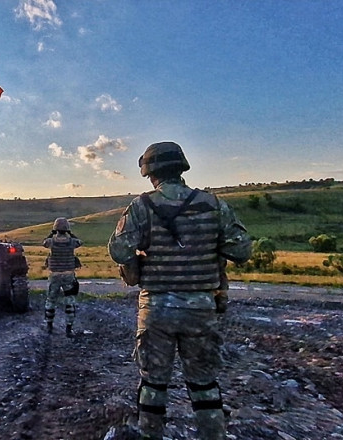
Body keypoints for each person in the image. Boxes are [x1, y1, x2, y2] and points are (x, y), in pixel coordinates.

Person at [108, 141, 252, 440]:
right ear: (181, 167)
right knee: (204, 385)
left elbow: (119, 251)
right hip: (201, 307)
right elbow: (241, 250)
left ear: (149, 172)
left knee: (153, 385)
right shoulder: (213, 204)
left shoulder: (142, 206)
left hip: (156, 308)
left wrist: (143, 254)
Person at [43, 217, 83, 336]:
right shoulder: (72, 242)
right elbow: (80, 242)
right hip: (68, 275)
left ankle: (49, 326)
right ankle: (69, 329)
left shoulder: (51, 242)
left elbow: (44, 242)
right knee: (70, 301)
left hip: (54, 275)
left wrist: (52, 233)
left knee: (51, 300)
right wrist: (70, 233)